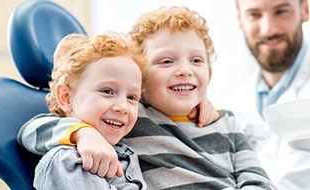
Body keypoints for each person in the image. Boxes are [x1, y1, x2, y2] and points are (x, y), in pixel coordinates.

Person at [18, 6, 276, 189]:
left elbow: (256, 178)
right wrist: (83, 133)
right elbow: (33, 129)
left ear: (208, 73)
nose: (185, 70)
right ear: (141, 80)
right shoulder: (132, 116)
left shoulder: (226, 122)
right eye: (166, 61)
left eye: (196, 60)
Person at [19, 33, 148, 189]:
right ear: (66, 98)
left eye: (132, 97)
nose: (123, 107)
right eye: (107, 91)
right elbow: (30, 131)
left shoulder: (123, 149)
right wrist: (82, 132)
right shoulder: (66, 160)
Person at [227, 0, 310, 189]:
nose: (268, 29)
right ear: (239, 19)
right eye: (254, 15)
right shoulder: (237, 102)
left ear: (305, 10)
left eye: (281, 11)